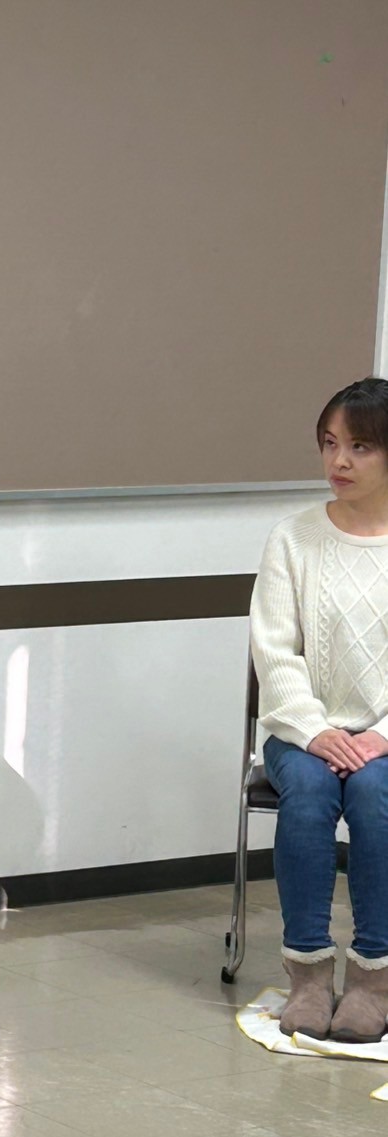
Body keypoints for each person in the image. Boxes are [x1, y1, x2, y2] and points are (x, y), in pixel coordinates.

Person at [251, 377, 388, 1044]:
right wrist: (315, 729)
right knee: (306, 794)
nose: (339, 461)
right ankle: (307, 974)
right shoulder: (291, 539)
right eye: (330, 444)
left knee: (373, 794)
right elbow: (275, 653)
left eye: (359, 446)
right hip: (300, 731)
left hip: (384, 741)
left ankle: (371, 978)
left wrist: (381, 736)